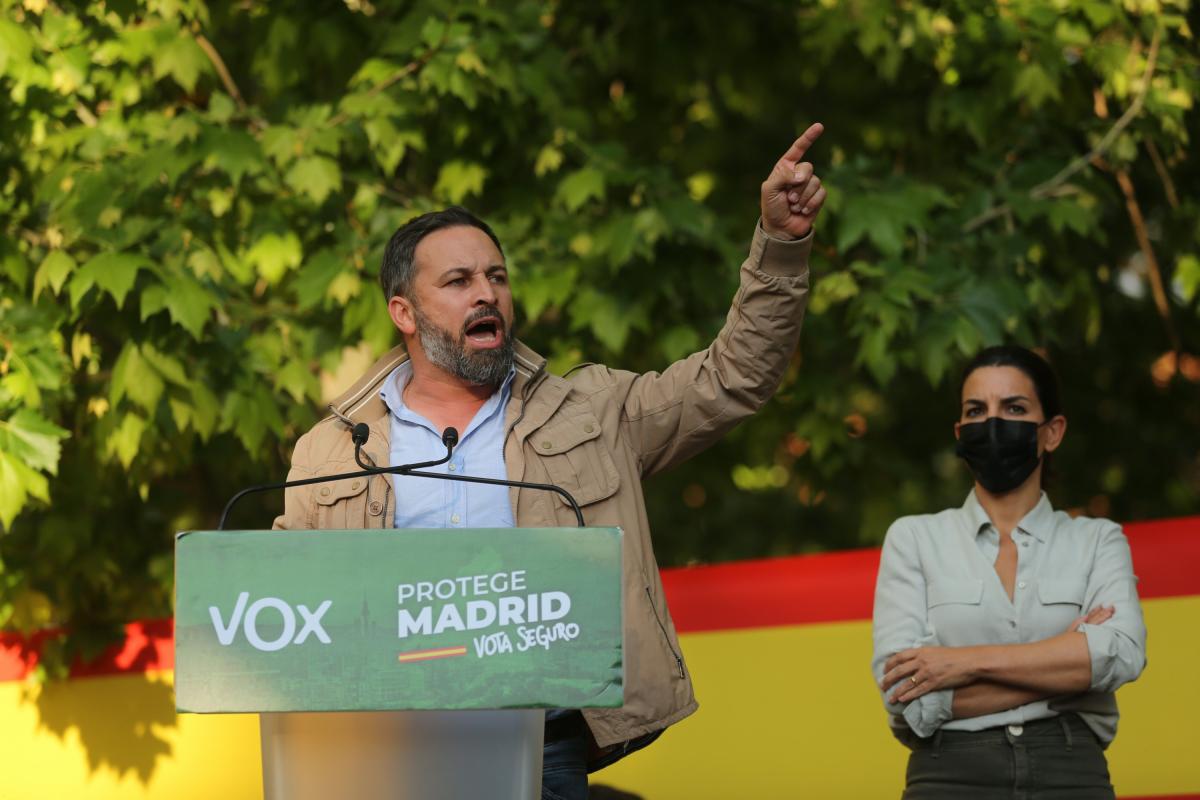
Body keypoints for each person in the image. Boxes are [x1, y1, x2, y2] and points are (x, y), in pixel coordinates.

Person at [274, 124, 827, 799]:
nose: (487, 293)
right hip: (384, 749)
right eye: (458, 281)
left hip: (541, 743)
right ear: (405, 313)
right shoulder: (331, 449)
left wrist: (781, 245)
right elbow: (284, 609)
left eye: (496, 277)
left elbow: (734, 376)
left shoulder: (590, 411)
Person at [871, 345, 1147, 799]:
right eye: (976, 410)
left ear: (1052, 432)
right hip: (947, 777)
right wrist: (1069, 671)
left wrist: (961, 663)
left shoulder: (1098, 540)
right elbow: (904, 695)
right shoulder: (913, 538)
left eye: (1014, 408)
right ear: (960, 432)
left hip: (1071, 775)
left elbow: (1121, 655)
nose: (993, 423)